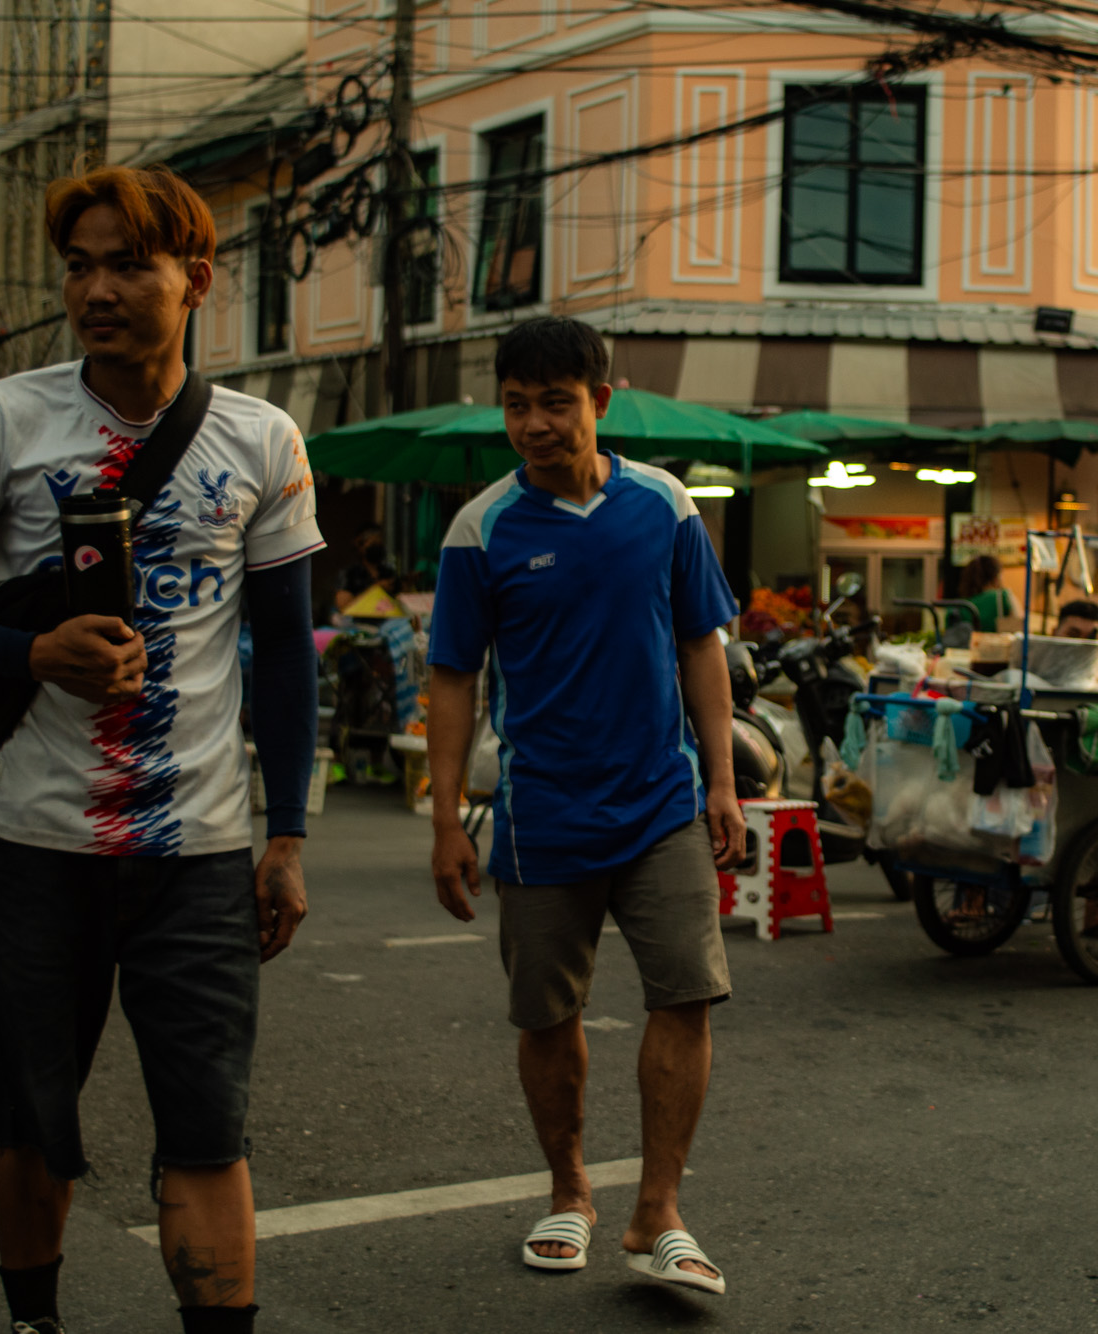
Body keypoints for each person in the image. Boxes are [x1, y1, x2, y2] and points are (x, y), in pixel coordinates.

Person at [0, 164, 323, 1334]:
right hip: (35, 839)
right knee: (30, 1116)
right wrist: (28, 655)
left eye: (129, 264)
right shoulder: (3, 417)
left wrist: (287, 836)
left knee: (209, 1126)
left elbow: (284, 651)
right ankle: (35, 1321)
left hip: (200, 850)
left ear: (195, 280)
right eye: (80, 265)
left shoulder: (261, 438)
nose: (98, 289)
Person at [426, 315, 745, 1295]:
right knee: (545, 1014)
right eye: (516, 404)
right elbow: (450, 677)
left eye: (554, 402)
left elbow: (701, 643)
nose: (532, 423)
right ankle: (569, 1190)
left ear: (599, 402)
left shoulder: (665, 505)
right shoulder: (480, 528)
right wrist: (444, 819)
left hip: (660, 802)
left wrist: (723, 777)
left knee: (684, 992)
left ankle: (659, 1211)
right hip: (540, 816)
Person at [332, 522, 398, 611]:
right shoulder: (349, 574)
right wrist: (375, 589)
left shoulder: (388, 572)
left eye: (379, 541)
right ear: (360, 545)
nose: (377, 545)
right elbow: (343, 606)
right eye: (373, 542)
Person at [954, 554, 1016, 632]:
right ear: (996, 576)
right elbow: (1020, 626)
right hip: (996, 642)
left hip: (967, 643)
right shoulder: (1002, 596)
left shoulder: (958, 606)